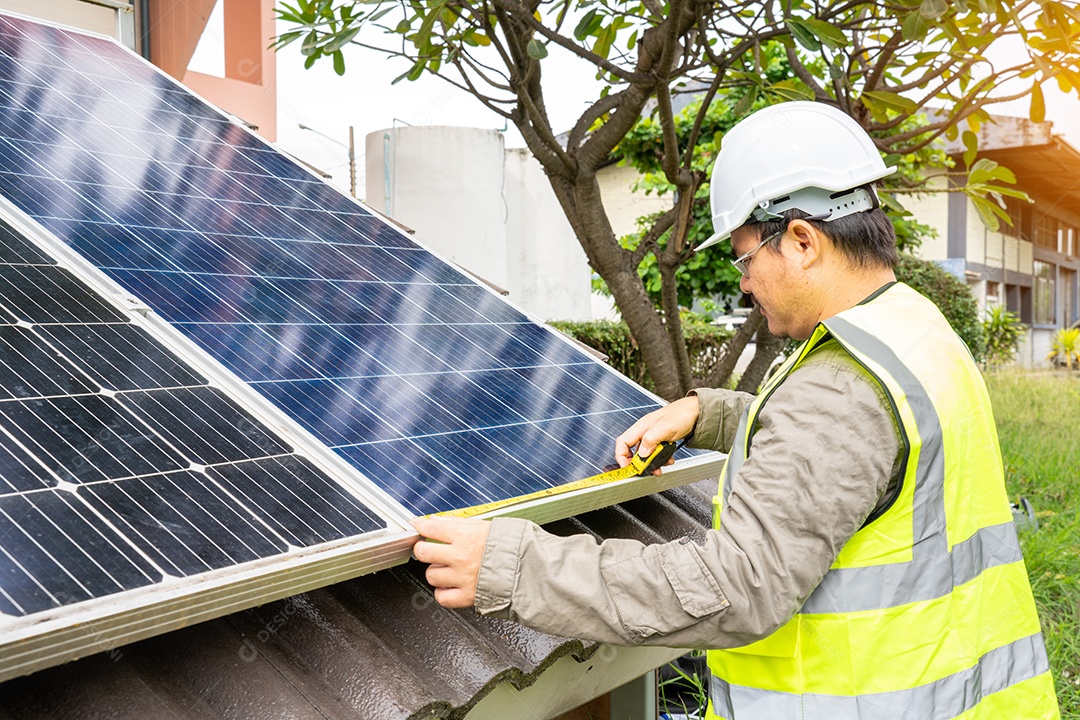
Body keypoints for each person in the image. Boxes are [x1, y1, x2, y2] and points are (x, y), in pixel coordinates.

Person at [410, 101, 1059, 719]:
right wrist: (712, 412)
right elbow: (856, 454)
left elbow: (737, 584)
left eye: (746, 258)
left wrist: (515, 565)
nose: (744, 282)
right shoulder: (912, 329)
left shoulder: (841, 388)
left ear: (802, 241)